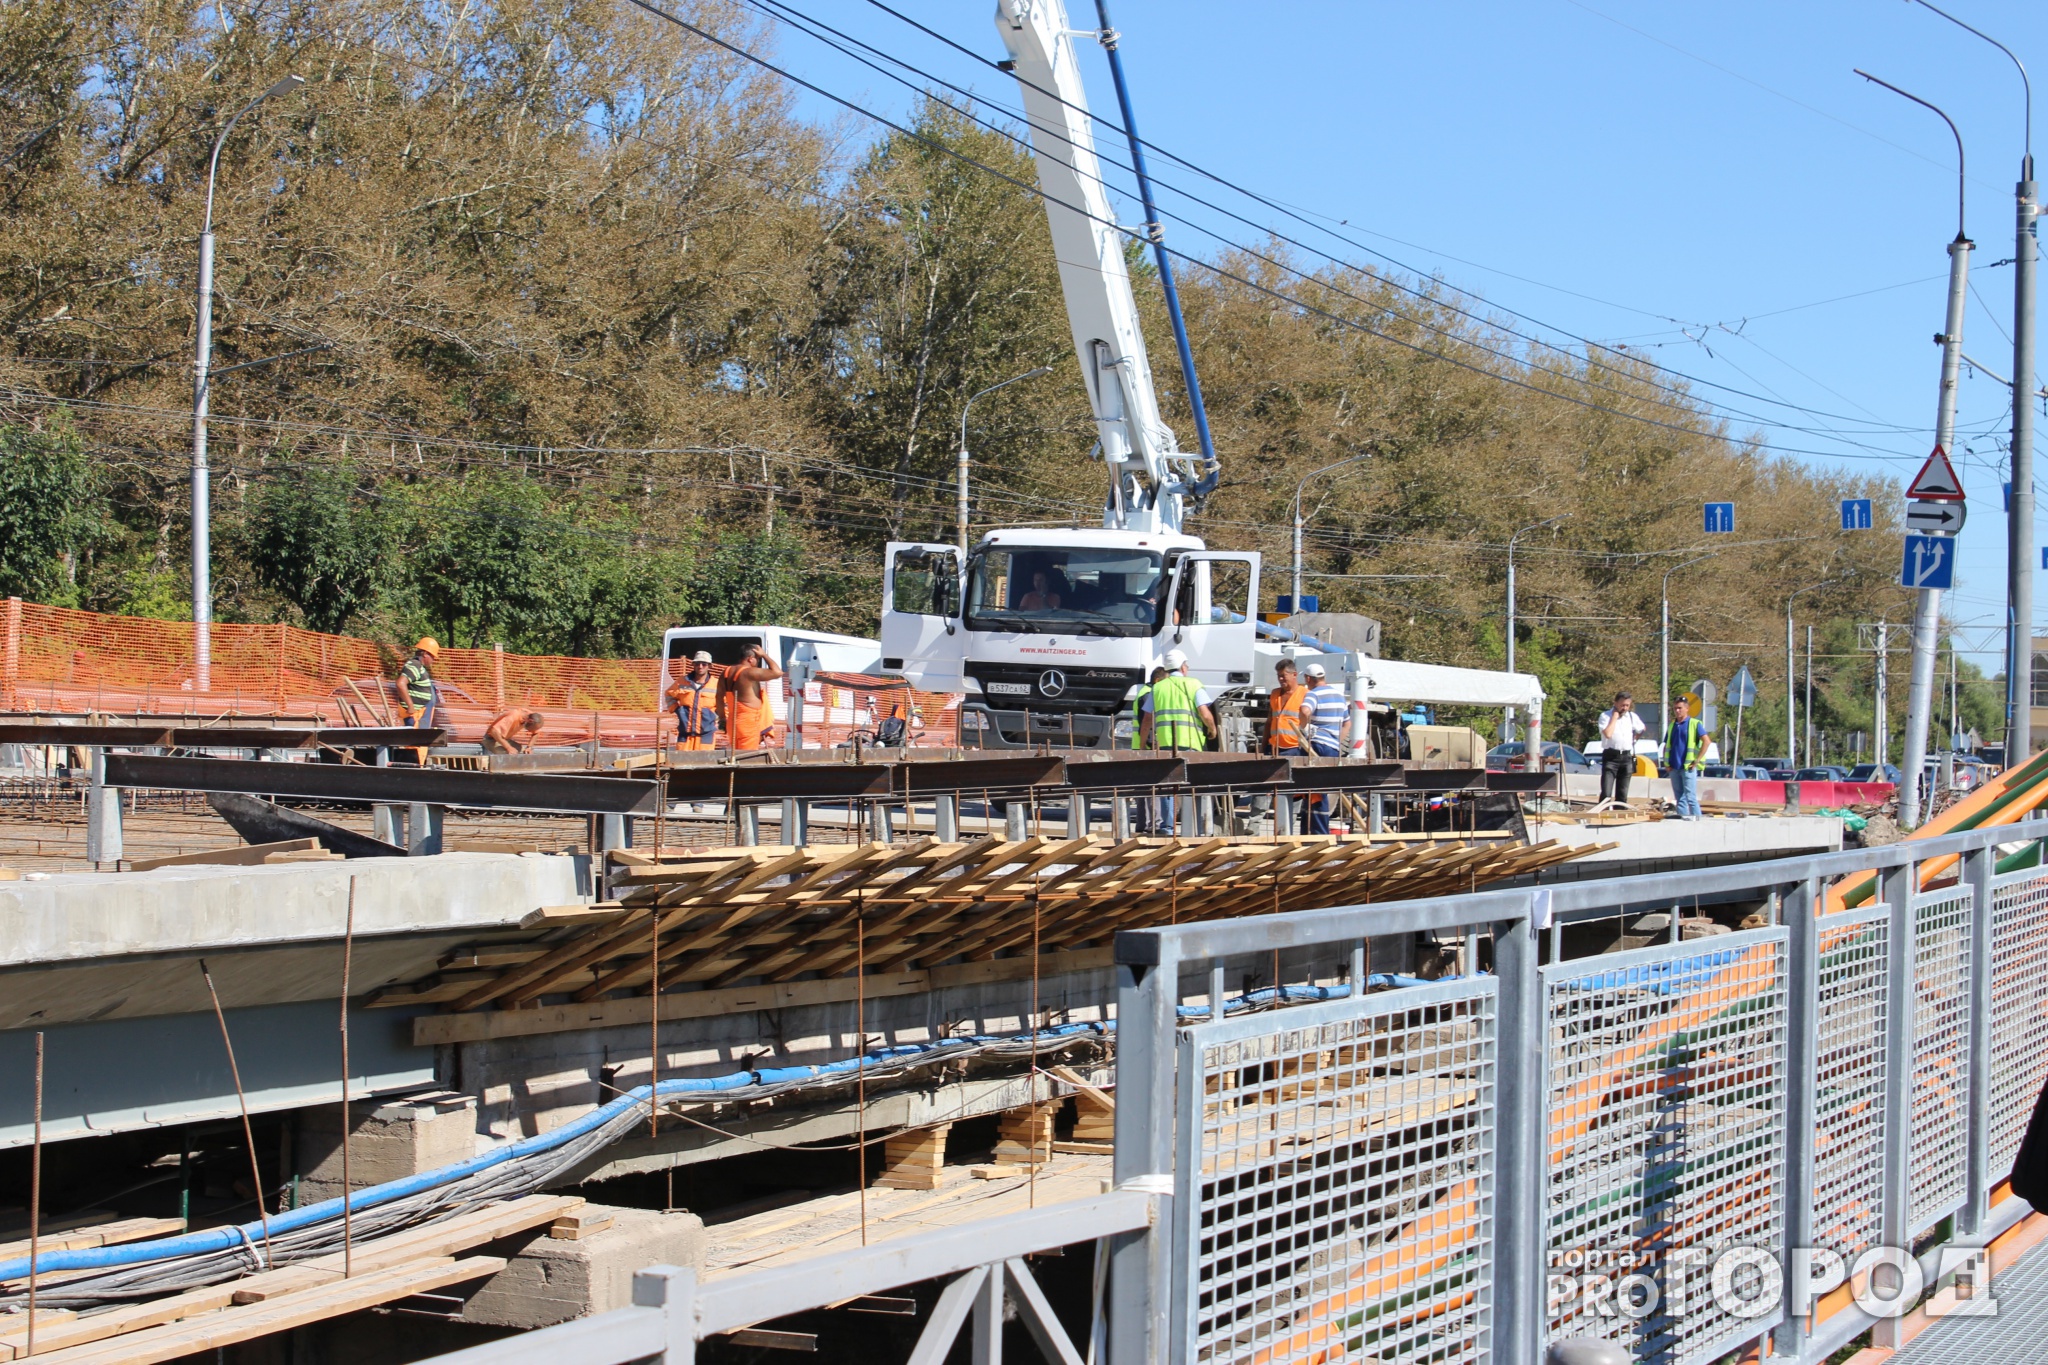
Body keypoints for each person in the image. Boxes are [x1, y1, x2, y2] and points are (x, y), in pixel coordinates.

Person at [1143, 650, 1214, 834]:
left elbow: (1147, 720)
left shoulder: (1157, 688)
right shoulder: (1193, 684)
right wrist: (1213, 730)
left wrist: (1143, 745)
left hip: (1165, 744)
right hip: (1191, 744)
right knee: (1191, 787)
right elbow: (1205, 714)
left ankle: (1167, 827)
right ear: (1183, 667)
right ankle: (1192, 828)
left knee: (1168, 786)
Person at [1300, 662, 1349, 834]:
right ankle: (1308, 830)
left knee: (1315, 790)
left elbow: (1305, 711)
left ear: (1308, 678)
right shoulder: (1339, 696)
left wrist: (1303, 728)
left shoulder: (1313, 694)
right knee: (1314, 790)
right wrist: (1336, 740)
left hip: (1317, 746)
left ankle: (1319, 833)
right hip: (1332, 749)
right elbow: (1347, 723)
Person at [722, 643, 785, 750]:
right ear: (751, 659)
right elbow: (778, 672)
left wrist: (723, 719)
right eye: (758, 659)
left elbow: (718, 697)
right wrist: (765, 655)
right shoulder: (749, 673)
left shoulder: (726, 672)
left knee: (735, 755)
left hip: (732, 723)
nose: (758, 662)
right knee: (746, 759)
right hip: (748, 723)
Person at [1597, 691, 1645, 805]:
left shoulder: (1632, 716)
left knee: (1622, 792)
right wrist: (1614, 717)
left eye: (1627, 705)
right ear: (1615, 703)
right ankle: (1603, 814)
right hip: (1611, 756)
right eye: (1622, 705)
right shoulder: (1605, 716)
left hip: (1626, 757)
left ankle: (1620, 814)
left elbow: (1642, 728)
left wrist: (1634, 740)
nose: (1624, 708)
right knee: (1606, 792)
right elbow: (1608, 734)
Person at [1663, 695, 1707, 820]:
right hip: (1674, 766)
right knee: (1679, 798)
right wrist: (1666, 763)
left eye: (1680, 708)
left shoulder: (1694, 724)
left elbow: (1706, 741)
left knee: (1690, 797)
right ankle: (1684, 819)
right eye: (1675, 708)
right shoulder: (1672, 726)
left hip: (1688, 766)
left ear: (1687, 708)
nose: (1677, 711)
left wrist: (1697, 760)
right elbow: (1667, 746)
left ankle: (1698, 821)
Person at [667, 651, 720, 750]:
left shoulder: (716, 684)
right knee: (681, 762)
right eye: (697, 663)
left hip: (706, 735)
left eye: (704, 664)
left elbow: (725, 704)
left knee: (704, 762)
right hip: (685, 733)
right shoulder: (682, 681)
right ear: (693, 665)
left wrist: (715, 716)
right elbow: (669, 694)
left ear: (709, 666)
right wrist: (676, 709)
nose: (700, 666)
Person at [1265, 659, 1308, 756]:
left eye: (1283, 676)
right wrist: (1263, 746)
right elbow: (1269, 721)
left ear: (1294, 675)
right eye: (1278, 676)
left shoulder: (1305, 694)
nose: (1280, 679)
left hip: (1294, 748)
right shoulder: (1274, 694)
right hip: (1273, 747)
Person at [399, 638, 440, 729]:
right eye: (432, 656)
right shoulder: (414, 665)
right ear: (425, 654)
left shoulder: (419, 667)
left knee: (421, 741)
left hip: (421, 715)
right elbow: (400, 683)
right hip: (415, 716)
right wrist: (410, 706)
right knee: (415, 742)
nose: (433, 659)